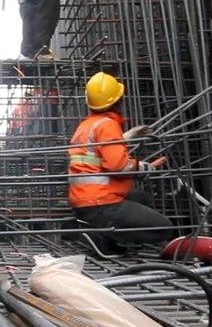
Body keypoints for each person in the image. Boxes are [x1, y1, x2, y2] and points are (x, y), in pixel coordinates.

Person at [68, 72, 172, 258]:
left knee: (143, 198)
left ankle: (102, 231)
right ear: (118, 101)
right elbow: (118, 166)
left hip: (84, 199)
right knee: (164, 228)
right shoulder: (107, 125)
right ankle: (102, 236)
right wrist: (147, 168)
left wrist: (128, 135)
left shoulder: (86, 126)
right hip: (101, 203)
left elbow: (98, 152)